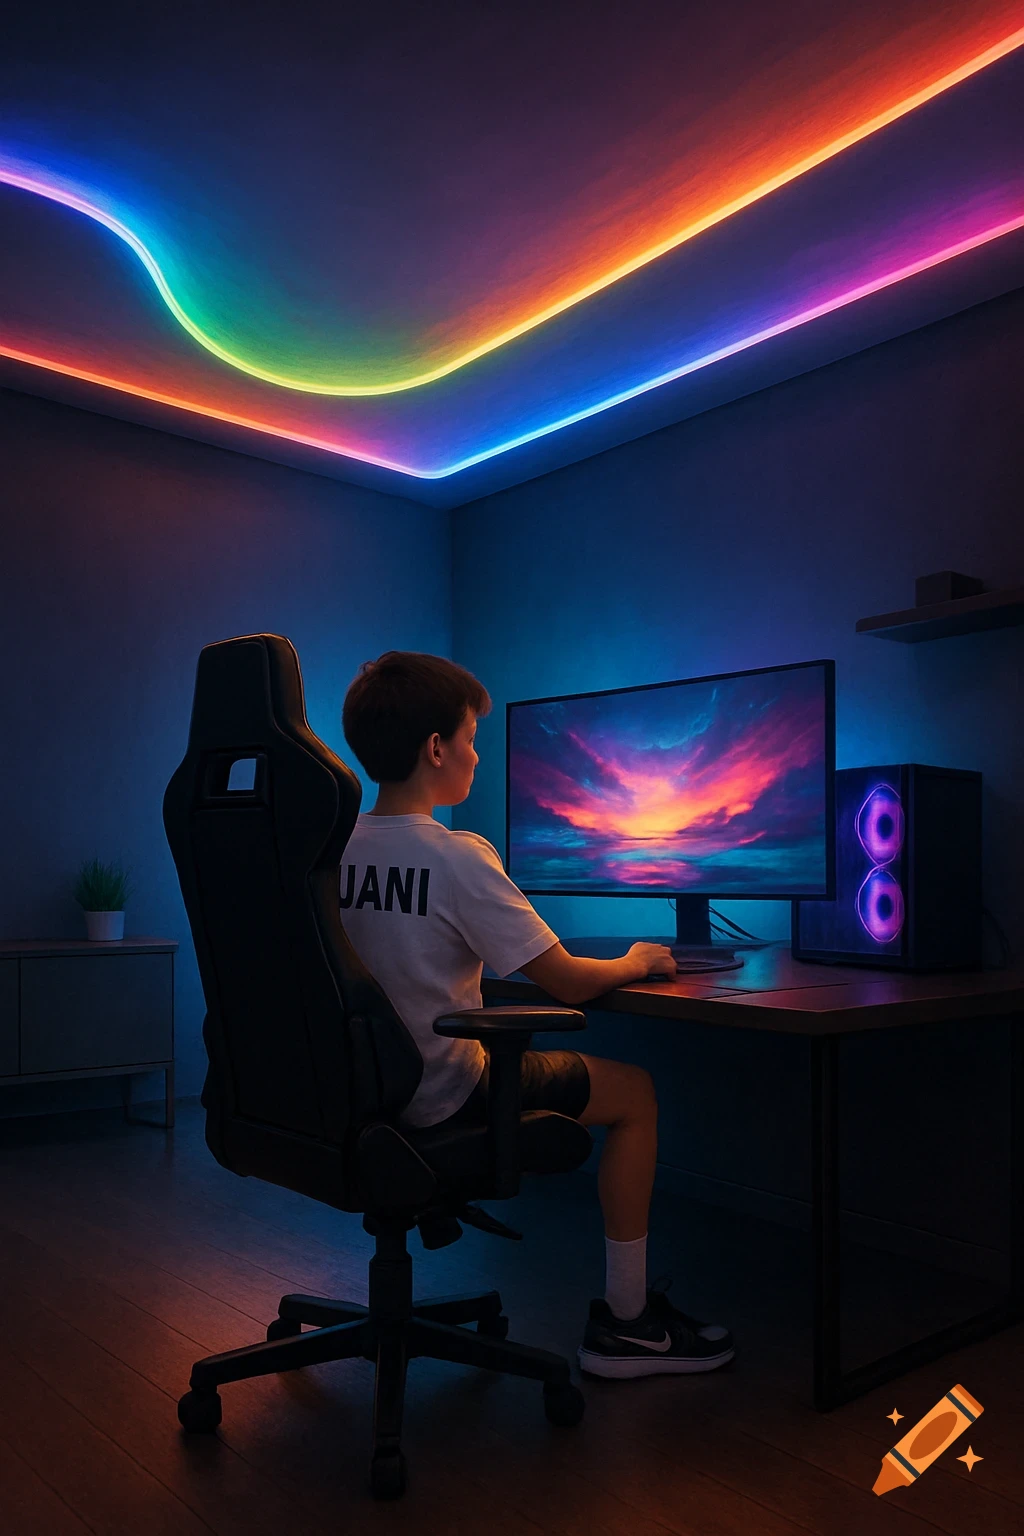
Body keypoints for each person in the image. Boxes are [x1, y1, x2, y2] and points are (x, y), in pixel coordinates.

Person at [340, 650, 733, 1379]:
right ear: (436, 749)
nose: (476, 754)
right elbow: (568, 980)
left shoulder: (332, 851)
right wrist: (639, 961)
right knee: (637, 1094)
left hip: (353, 1094)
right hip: (444, 1093)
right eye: (470, 737)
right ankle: (628, 1325)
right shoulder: (456, 856)